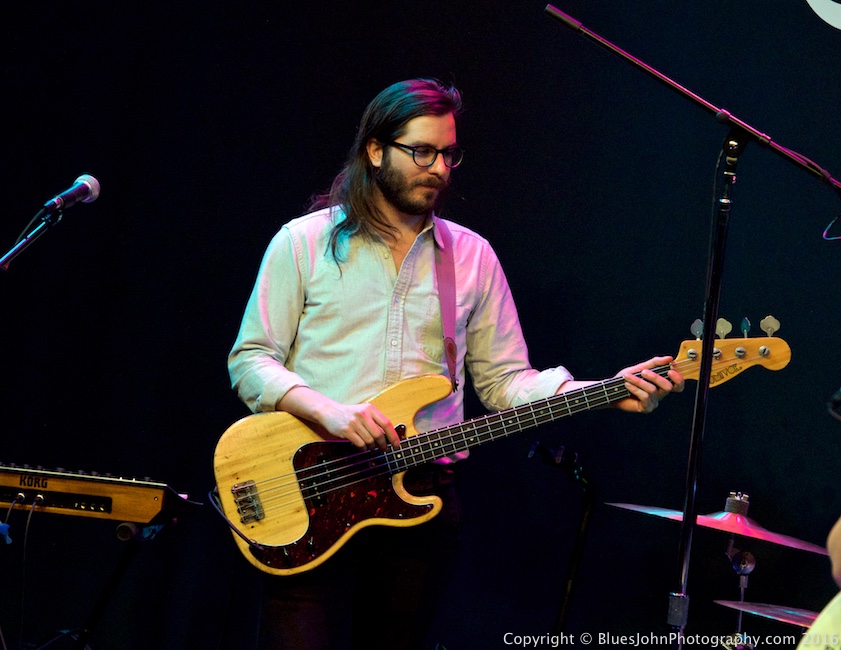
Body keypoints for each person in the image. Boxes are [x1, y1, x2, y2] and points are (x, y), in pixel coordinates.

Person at [227, 78, 685, 650]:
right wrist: (330, 412)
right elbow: (251, 359)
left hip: (421, 498)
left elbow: (504, 382)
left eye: (449, 154)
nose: (440, 168)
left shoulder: (472, 256)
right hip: (310, 486)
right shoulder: (303, 242)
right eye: (422, 151)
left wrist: (603, 389)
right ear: (376, 150)